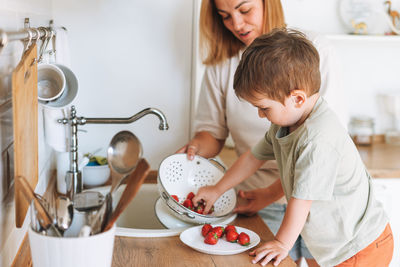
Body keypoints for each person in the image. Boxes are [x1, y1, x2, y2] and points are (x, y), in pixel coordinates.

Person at [192, 28, 393, 267]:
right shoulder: (287, 123)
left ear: (297, 98)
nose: (260, 114)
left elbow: (302, 199)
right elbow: (253, 158)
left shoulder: (317, 139)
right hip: (334, 247)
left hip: (358, 248)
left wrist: (282, 244)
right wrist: (217, 189)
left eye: (264, 108)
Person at [177, 0, 346, 265]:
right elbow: (243, 151)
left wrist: (272, 193)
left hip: (321, 201)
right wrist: (204, 167)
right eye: (225, 16)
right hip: (257, 200)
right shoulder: (275, 129)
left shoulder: (312, 52)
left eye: (244, 10)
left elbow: (317, 160)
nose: (236, 24)